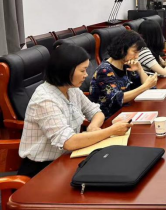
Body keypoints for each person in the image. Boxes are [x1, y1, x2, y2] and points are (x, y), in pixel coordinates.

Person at [18, 44, 132, 178]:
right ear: (66, 71)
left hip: (69, 158)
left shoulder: (71, 89)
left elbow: (96, 111)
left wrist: (93, 126)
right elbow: (69, 142)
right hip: (42, 170)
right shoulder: (45, 100)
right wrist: (111, 131)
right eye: (82, 70)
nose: (86, 75)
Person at [89, 30, 158, 118]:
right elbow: (117, 98)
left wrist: (140, 69)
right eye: (135, 52)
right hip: (109, 118)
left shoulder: (127, 65)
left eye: (138, 53)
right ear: (122, 49)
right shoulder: (104, 71)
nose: (137, 56)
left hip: (127, 112)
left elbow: (150, 88)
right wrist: (145, 86)